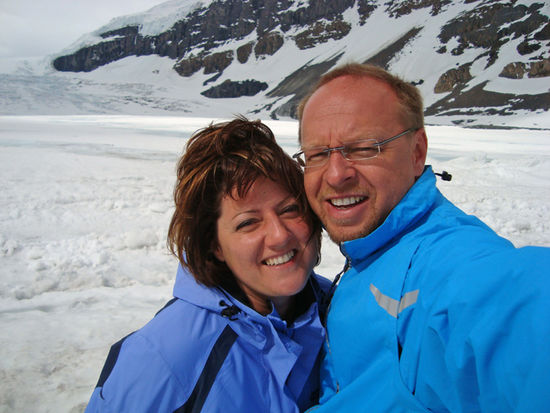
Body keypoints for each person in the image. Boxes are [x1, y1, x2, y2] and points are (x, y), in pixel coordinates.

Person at [293, 63, 550, 412]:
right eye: (318, 154)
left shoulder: (447, 264)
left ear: (417, 153)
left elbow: (512, 307)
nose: (336, 175)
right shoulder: (372, 250)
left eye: (365, 148)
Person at [85, 117, 330, 413]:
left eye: (289, 209)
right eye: (248, 223)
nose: (280, 235)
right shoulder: (165, 356)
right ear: (215, 245)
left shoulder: (339, 309)